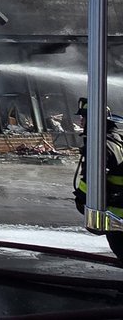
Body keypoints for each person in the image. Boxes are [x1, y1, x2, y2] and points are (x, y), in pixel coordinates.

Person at [73, 97, 123, 263]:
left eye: (84, 117)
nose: (81, 121)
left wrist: (81, 197)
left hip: (117, 211)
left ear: (94, 118)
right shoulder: (117, 138)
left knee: (120, 247)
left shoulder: (100, 145)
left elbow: (92, 179)